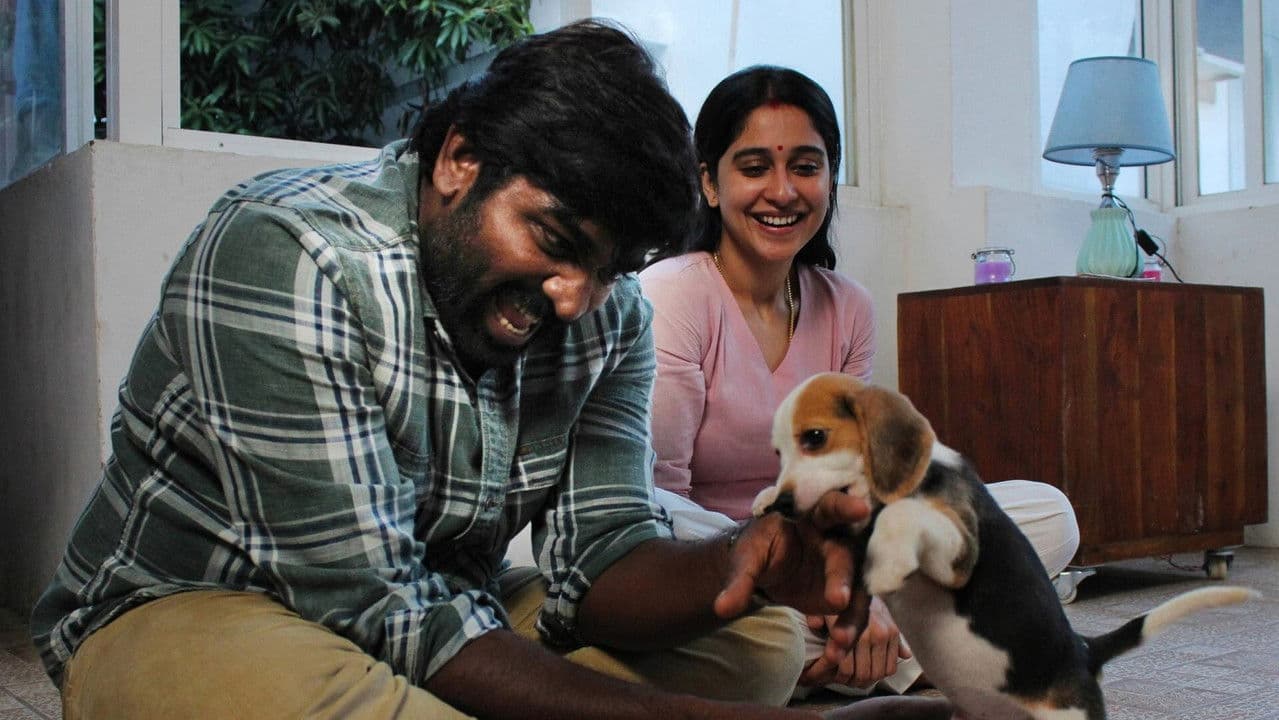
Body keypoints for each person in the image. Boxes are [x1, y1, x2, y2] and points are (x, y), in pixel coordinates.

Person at [29, 22, 959, 720]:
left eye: (610, 267)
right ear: (458, 159)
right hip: (198, 605)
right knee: (347, 692)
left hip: (447, 601)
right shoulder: (288, 252)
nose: (575, 297)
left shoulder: (609, 315)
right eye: (554, 239)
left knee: (757, 642)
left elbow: (603, 558)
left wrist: (741, 561)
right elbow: (376, 607)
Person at [639, 65, 1081, 697]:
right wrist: (807, 576)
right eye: (755, 167)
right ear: (710, 182)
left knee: (1048, 516)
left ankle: (847, 650)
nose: (782, 192)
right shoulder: (672, 295)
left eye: (805, 167)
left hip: (839, 553)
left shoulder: (848, 306)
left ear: (830, 178)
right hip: (720, 559)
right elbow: (659, 501)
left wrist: (860, 583)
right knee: (752, 625)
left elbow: (866, 484)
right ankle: (913, 647)